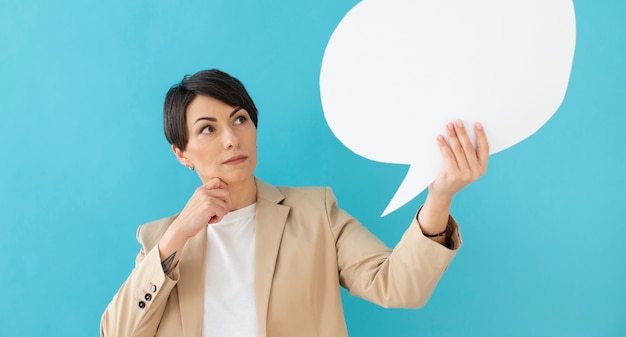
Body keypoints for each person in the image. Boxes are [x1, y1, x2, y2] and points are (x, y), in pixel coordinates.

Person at [100, 69, 489, 337]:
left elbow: (399, 287)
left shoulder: (315, 213)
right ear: (181, 153)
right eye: (208, 129)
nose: (232, 139)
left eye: (240, 120)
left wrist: (439, 196)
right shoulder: (161, 241)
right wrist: (178, 235)